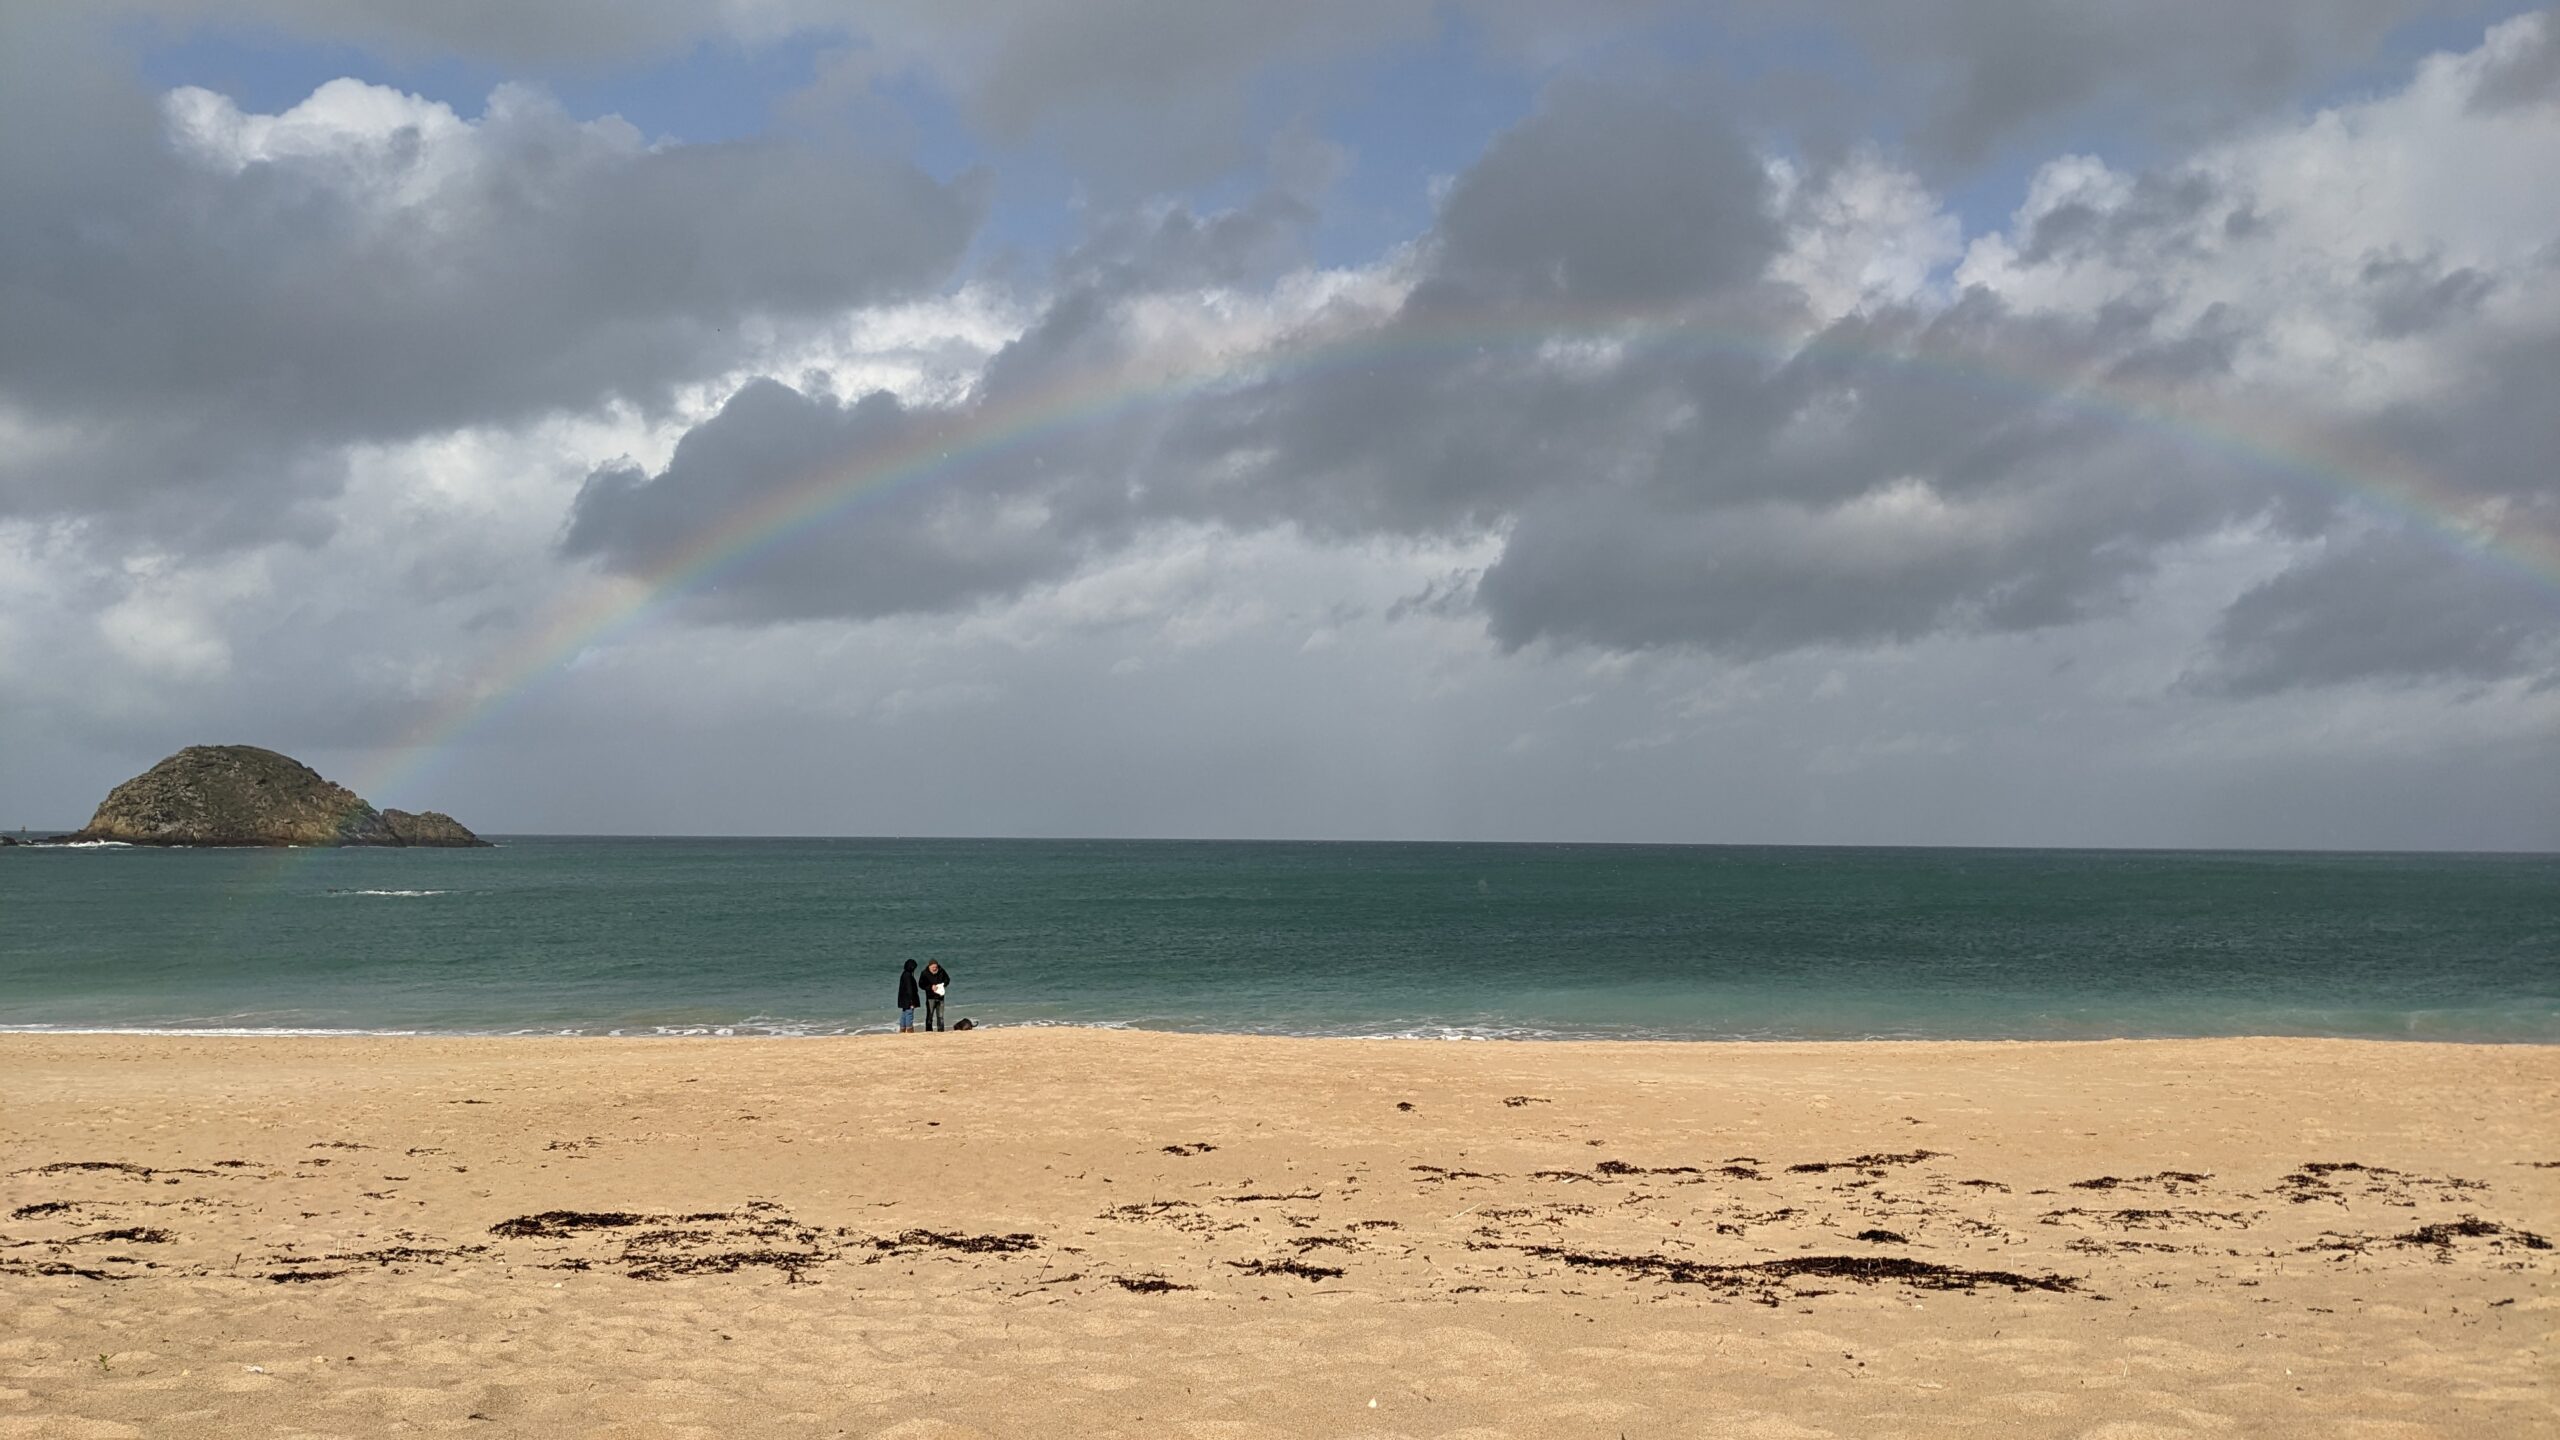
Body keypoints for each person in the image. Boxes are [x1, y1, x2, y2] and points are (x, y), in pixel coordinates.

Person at [919, 960, 952, 1033]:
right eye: (933, 967)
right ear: (929, 966)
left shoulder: (941, 971)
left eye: (936, 967)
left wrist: (943, 985)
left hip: (940, 997)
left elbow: (947, 979)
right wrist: (930, 987)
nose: (934, 968)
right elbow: (921, 984)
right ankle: (929, 1031)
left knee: (940, 1016)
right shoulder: (924, 973)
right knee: (929, 1016)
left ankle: (940, 1031)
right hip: (930, 997)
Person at [895, 959, 921, 1033]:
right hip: (908, 999)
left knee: (904, 1014)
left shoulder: (904, 974)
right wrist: (912, 1001)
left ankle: (902, 1029)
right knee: (909, 1014)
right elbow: (910, 989)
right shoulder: (908, 976)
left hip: (903, 999)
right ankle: (909, 1030)